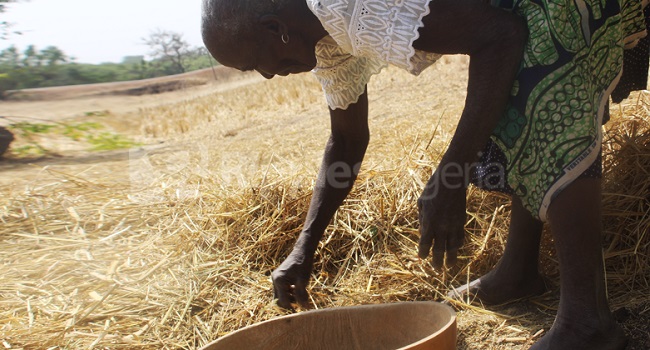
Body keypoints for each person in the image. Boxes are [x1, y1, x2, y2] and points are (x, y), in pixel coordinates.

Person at [201, 0, 647, 349]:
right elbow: (347, 143)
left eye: (253, 62)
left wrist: (449, 179)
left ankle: (587, 321)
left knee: (539, 88)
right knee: (502, 100)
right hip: (512, 16)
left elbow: (501, 35)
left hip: (544, 6)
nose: (265, 75)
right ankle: (518, 271)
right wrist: (303, 249)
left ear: (275, 30)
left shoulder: (342, 6)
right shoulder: (323, 41)